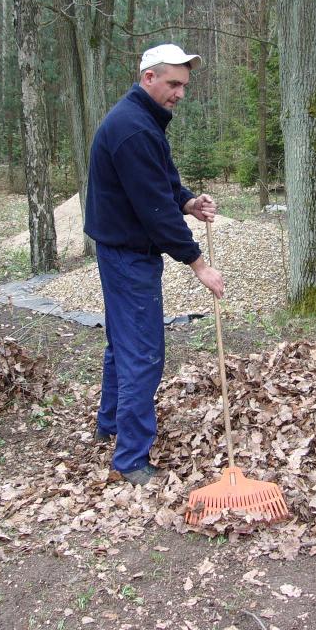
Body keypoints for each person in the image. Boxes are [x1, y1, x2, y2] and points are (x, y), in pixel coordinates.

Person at [83, 44, 225, 486]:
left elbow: (161, 181)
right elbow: (154, 211)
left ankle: (110, 424)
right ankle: (130, 459)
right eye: (173, 83)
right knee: (142, 352)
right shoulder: (133, 128)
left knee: (122, 345)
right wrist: (199, 264)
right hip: (128, 255)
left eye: (184, 85)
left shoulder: (143, 121)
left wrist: (188, 200)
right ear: (149, 78)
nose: (180, 93)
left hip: (122, 249)